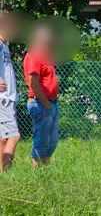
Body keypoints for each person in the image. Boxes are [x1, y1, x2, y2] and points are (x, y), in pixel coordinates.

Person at [24, 24, 59, 168]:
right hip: (41, 104)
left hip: (50, 103)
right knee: (42, 140)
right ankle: (37, 174)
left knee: (51, 141)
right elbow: (34, 82)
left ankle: (46, 171)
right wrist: (46, 104)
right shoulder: (34, 55)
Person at [0, 12, 20, 173]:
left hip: (7, 98)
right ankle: (7, 173)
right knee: (15, 136)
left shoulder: (4, 46)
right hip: (3, 98)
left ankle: (2, 174)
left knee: (3, 138)